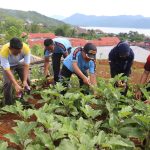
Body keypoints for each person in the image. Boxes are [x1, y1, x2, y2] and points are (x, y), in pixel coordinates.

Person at [0, 37, 30, 105]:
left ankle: (26, 99)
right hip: (8, 65)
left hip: (18, 63)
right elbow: (7, 70)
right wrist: (16, 84)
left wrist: (24, 80)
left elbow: (26, 65)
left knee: (27, 81)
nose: (18, 54)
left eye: (19, 52)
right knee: (7, 83)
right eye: (16, 52)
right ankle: (8, 105)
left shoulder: (26, 48)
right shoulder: (4, 51)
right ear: (10, 48)